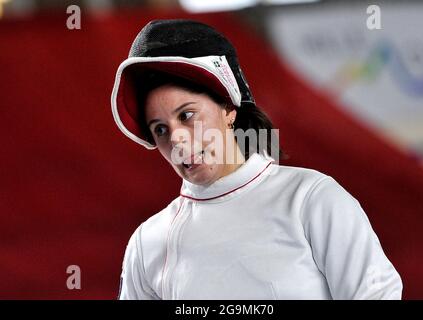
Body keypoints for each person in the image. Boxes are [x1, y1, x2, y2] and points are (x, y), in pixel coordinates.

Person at [111, 19, 403, 300]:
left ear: (228, 108)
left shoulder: (310, 199)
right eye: (160, 129)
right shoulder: (147, 243)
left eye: (187, 115)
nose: (175, 139)